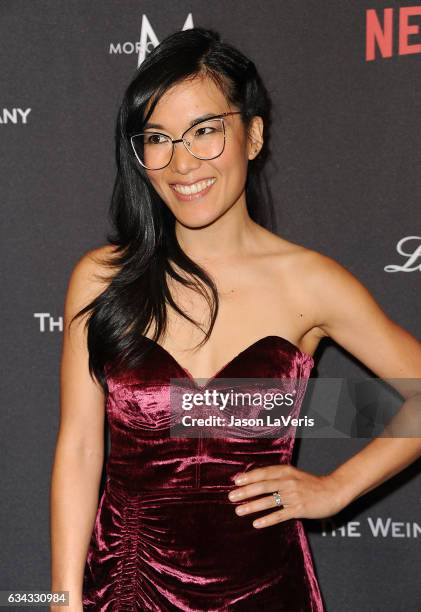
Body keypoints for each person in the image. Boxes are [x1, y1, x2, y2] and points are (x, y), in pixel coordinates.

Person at [49, 27, 421, 612]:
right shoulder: (101, 278)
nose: (181, 162)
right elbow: (78, 449)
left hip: (266, 588)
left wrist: (335, 489)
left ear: (252, 134)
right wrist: (62, 600)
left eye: (204, 131)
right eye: (158, 138)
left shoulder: (309, 282)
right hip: (125, 584)